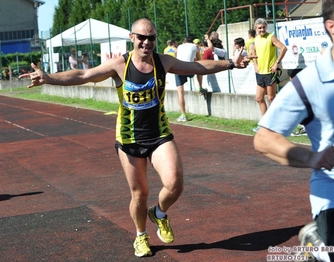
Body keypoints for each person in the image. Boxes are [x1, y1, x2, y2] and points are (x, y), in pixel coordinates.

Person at [20, 18, 250, 258]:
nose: (146, 42)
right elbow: (84, 74)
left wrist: (231, 63)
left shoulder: (164, 62)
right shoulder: (120, 65)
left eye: (151, 38)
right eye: (142, 37)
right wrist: (48, 78)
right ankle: (141, 236)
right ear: (132, 38)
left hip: (159, 134)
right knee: (139, 193)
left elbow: (198, 67)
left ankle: (159, 213)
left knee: (175, 183)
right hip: (129, 139)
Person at [253, 0, 334, 261]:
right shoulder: (311, 82)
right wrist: (312, 158)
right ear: (333, 26)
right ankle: (319, 248)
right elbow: (264, 139)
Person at [250, 18, 287, 132]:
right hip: (260, 73)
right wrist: (255, 65)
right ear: (255, 29)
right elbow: (253, 53)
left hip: (270, 72)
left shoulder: (271, 37)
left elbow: (283, 48)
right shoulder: (255, 40)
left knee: (271, 97)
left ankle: (278, 122)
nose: (262, 29)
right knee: (259, 98)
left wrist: (276, 63)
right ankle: (265, 124)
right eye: (259, 28)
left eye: (263, 27)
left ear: (266, 27)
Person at [175, 36, 200, 122]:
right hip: (189, 68)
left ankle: (183, 115)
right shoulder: (195, 46)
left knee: (180, 92)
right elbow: (199, 60)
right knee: (200, 69)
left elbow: (176, 55)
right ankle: (200, 87)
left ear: (183, 42)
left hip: (178, 68)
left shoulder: (179, 47)